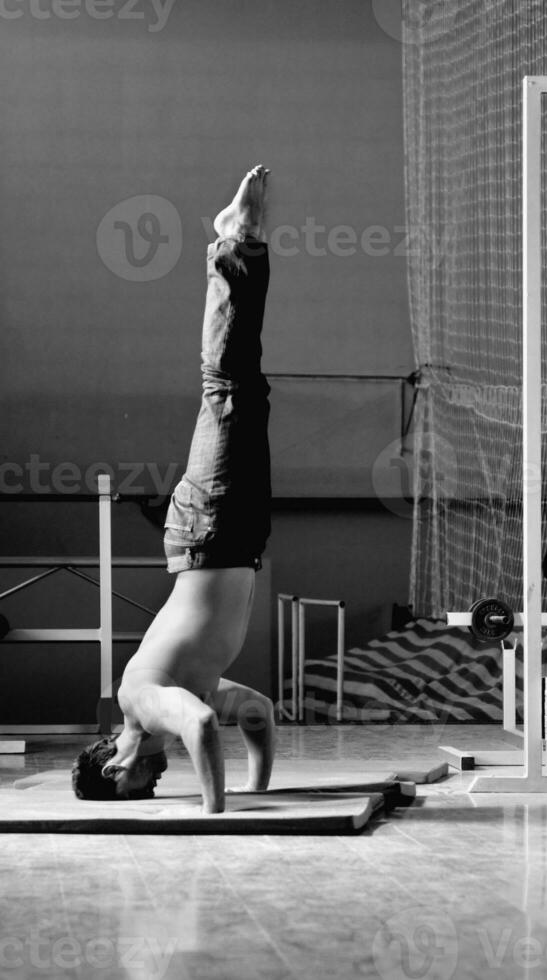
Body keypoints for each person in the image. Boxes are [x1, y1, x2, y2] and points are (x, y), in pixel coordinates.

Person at [72, 166, 276, 813]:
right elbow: (254, 713)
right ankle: (239, 248)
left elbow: (202, 727)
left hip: (207, 534)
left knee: (229, 389)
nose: (148, 787)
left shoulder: (140, 702)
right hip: (234, 541)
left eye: (132, 788)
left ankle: (232, 246)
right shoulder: (183, 693)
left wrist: (218, 815)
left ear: (112, 767)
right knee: (249, 392)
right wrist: (254, 789)